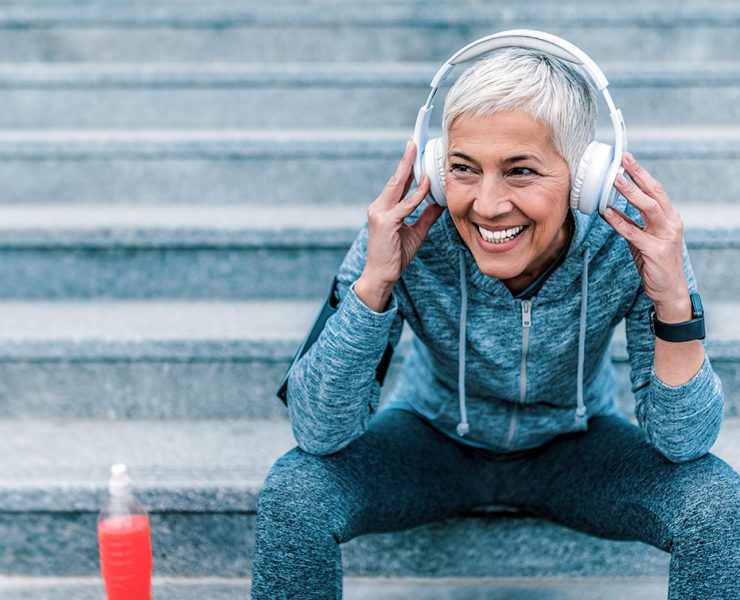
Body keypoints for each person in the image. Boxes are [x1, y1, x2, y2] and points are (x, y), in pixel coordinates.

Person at [250, 43, 740, 599]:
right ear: (438, 166)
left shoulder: (629, 239)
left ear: (585, 177)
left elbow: (683, 442)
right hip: (431, 440)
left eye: (520, 171)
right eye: (463, 168)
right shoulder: (407, 230)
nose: (486, 204)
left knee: (717, 501)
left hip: (574, 446)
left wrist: (674, 302)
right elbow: (319, 429)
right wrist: (375, 284)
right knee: (295, 491)